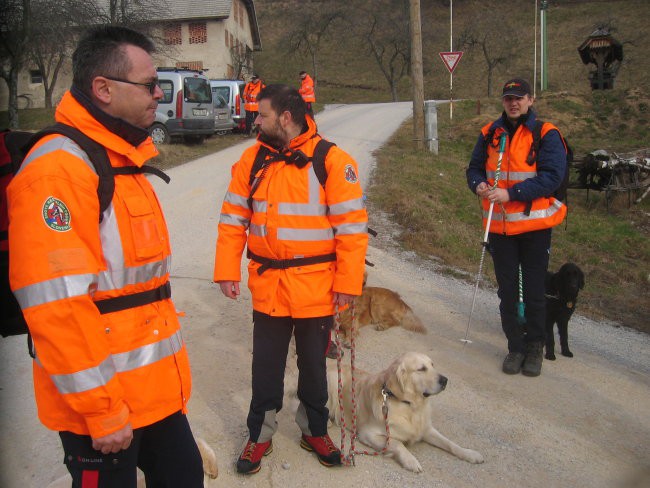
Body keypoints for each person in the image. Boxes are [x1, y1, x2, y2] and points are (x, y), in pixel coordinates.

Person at [7, 26, 204, 487]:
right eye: (150, 84)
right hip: (104, 409)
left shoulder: (119, 158)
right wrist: (103, 409)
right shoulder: (59, 171)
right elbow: (57, 306)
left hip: (154, 397)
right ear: (104, 89)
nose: (159, 94)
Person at [214, 84, 368, 474]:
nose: (255, 121)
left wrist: (349, 285)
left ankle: (314, 430)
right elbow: (233, 220)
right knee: (265, 366)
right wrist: (225, 270)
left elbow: (352, 230)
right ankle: (260, 435)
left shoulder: (331, 160)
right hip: (268, 286)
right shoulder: (251, 161)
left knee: (314, 366)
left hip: (317, 287)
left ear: (285, 117)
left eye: (261, 115)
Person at [466, 78, 568, 378]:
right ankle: (515, 346)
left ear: (530, 100)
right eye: (508, 98)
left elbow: (552, 177)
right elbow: (472, 168)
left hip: (534, 226)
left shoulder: (546, 134)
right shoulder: (490, 133)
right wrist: (478, 185)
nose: (513, 103)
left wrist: (512, 194)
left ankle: (535, 345)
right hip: (499, 228)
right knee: (507, 291)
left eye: (519, 98)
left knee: (534, 290)